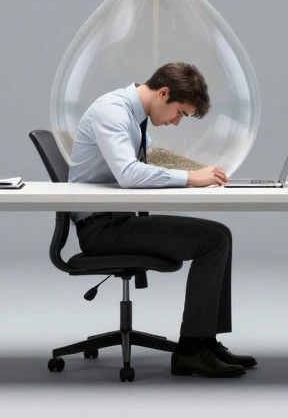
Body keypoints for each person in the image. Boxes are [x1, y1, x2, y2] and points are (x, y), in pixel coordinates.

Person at [68, 62, 257, 378]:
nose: (177, 121)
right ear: (164, 92)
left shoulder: (134, 116)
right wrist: (190, 178)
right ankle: (190, 352)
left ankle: (206, 342)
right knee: (213, 241)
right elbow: (128, 174)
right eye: (180, 112)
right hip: (101, 228)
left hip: (117, 220)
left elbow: (154, 158)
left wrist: (203, 170)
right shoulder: (112, 112)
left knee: (220, 234)